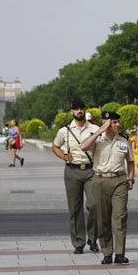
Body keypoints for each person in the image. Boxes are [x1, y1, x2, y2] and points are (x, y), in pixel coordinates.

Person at [81, 111, 135, 265]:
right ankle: (106, 252)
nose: (117, 125)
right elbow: (83, 147)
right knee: (102, 218)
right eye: (114, 122)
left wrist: (131, 178)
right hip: (100, 180)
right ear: (106, 123)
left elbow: (130, 161)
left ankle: (119, 253)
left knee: (120, 217)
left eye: (118, 122)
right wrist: (99, 130)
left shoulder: (123, 140)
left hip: (119, 181)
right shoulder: (96, 139)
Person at [51, 99, 99, 254]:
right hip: (72, 171)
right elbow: (55, 146)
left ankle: (93, 238)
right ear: (71, 112)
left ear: (85, 110)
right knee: (75, 208)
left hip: (91, 171)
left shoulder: (94, 128)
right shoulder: (64, 130)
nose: (79, 111)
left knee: (94, 205)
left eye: (81, 109)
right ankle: (79, 242)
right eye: (76, 109)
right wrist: (63, 156)